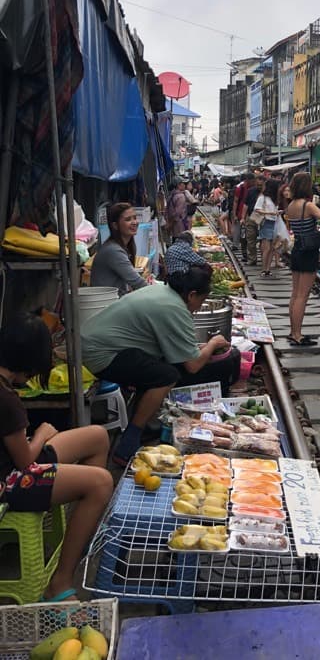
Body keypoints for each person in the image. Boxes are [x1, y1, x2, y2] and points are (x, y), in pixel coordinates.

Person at [0, 313, 114, 603]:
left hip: (12, 458)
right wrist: (41, 434)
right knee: (101, 482)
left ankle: (80, 531)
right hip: (9, 480)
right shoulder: (6, 399)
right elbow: (25, 461)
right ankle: (60, 581)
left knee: (97, 436)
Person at [82, 264, 238, 465]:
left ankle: (145, 426)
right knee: (166, 376)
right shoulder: (173, 308)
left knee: (157, 369)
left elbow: (176, 345)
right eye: (202, 300)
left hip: (95, 344)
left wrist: (200, 346)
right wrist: (213, 343)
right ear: (191, 295)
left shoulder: (163, 291)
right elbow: (193, 365)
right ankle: (129, 441)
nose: (200, 306)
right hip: (102, 355)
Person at [287, 172, 320, 346]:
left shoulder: (290, 205)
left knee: (295, 294)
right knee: (302, 295)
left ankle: (292, 331)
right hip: (308, 253)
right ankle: (298, 335)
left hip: (297, 250)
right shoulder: (308, 205)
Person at [91, 202, 148, 296]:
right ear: (115, 225)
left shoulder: (123, 247)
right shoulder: (113, 251)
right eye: (128, 219)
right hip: (108, 304)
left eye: (135, 218)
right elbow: (138, 283)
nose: (134, 222)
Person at [255, 179, 279, 276]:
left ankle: (268, 269)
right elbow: (257, 210)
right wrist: (270, 213)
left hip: (274, 222)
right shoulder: (263, 198)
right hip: (266, 222)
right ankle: (264, 269)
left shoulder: (273, 199)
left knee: (272, 248)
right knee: (267, 248)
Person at [243, 175, 264, 265]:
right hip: (251, 216)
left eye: (261, 185)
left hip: (263, 218)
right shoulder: (250, 191)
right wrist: (243, 217)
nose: (259, 187)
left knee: (264, 240)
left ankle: (264, 259)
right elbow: (245, 205)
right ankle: (252, 259)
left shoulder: (268, 193)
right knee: (250, 238)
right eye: (258, 185)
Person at [232, 172, 254, 254]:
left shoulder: (253, 188)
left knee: (245, 231)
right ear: (248, 180)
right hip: (240, 212)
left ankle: (245, 248)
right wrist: (234, 214)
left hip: (250, 213)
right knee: (238, 229)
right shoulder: (240, 188)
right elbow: (235, 201)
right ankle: (235, 245)